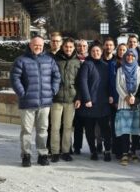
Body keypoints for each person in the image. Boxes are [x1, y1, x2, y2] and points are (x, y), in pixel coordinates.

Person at [10, 35, 61, 167]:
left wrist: (53, 90)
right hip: (27, 103)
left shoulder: (49, 60)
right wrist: (22, 93)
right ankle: (26, 155)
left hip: (44, 102)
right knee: (26, 131)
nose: (38, 47)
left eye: (40, 45)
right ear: (30, 45)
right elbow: (15, 78)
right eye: (35, 45)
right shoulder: (21, 60)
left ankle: (42, 154)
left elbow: (56, 77)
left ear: (43, 46)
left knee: (43, 130)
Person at [76, 43, 112, 161]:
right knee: (90, 130)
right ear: (90, 52)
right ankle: (93, 151)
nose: (96, 53)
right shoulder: (87, 64)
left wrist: (111, 95)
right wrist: (87, 99)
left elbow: (110, 83)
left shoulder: (106, 66)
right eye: (93, 51)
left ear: (101, 52)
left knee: (105, 129)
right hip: (90, 103)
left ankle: (107, 150)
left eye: (98, 51)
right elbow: (83, 82)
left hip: (103, 102)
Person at [51, 37, 81, 162]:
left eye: (70, 47)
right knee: (55, 127)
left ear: (74, 48)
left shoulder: (77, 62)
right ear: (62, 47)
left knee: (68, 127)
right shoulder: (55, 60)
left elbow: (80, 82)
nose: (68, 49)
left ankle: (66, 151)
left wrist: (78, 97)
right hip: (56, 98)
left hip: (71, 99)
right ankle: (54, 152)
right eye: (66, 47)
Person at [115, 48, 140, 165]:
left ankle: (133, 152)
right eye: (128, 55)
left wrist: (135, 98)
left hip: (137, 104)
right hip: (124, 103)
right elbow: (118, 86)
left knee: (135, 129)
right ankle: (124, 153)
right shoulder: (120, 70)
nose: (130, 58)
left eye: (132, 56)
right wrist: (127, 97)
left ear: (136, 57)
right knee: (125, 130)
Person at [73, 39, 88, 155]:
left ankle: (94, 146)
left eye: (84, 46)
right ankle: (77, 147)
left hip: (88, 96)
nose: (82, 48)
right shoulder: (73, 59)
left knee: (90, 125)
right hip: (75, 96)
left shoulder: (91, 59)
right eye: (79, 46)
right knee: (77, 125)